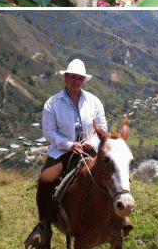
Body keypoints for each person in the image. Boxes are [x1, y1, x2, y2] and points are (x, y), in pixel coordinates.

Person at [26, 58, 107, 249]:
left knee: (114, 176)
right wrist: (69, 144)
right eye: (72, 77)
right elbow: (48, 132)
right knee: (46, 181)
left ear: (83, 80)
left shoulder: (94, 102)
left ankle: (120, 222)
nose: (76, 81)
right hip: (63, 152)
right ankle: (44, 226)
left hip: (89, 150)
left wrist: (92, 142)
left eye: (79, 78)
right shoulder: (52, 103)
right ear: (66, 78)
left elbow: (102, 128)